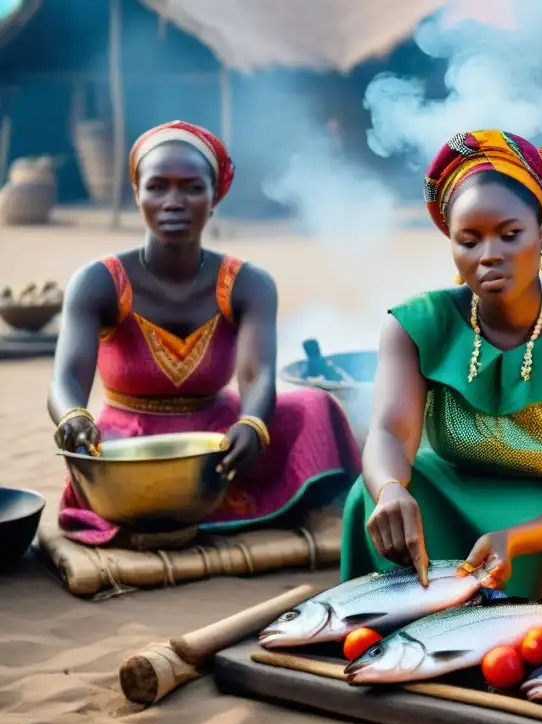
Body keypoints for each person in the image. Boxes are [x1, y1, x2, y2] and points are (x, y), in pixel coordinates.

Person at [340, 129, 542, 627]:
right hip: (467, 483)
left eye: (509, 234)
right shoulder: (415, 325)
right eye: (469, 240)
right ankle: (402, 631)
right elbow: (390, 432)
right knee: (371, 497)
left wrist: (515, 539)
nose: (489, 254)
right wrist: (391, 487)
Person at [50, 120, 362, 547]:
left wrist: (252, 424)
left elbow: (257, 375)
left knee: (314, 406)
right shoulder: (99, 281)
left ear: (215, 197)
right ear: (137, 193)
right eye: (157, 186)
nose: (173, 201)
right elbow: (66, 378)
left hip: (219, 439)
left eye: (191, 188)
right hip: (129, 444)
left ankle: (287, 505)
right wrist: (73, 418)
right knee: (106, 469)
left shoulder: (248, 283)